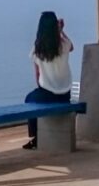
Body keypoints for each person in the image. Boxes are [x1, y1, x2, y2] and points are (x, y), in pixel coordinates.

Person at [23, 11, 73, 149]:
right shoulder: (64, 44)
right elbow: (72, 47)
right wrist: (61, 31)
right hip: (65, 95)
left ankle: (35, 136)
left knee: (29, 100)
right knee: (33, 99)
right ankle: (37, 138)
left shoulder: (37, 49)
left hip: (47, 94)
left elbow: (38, 76)